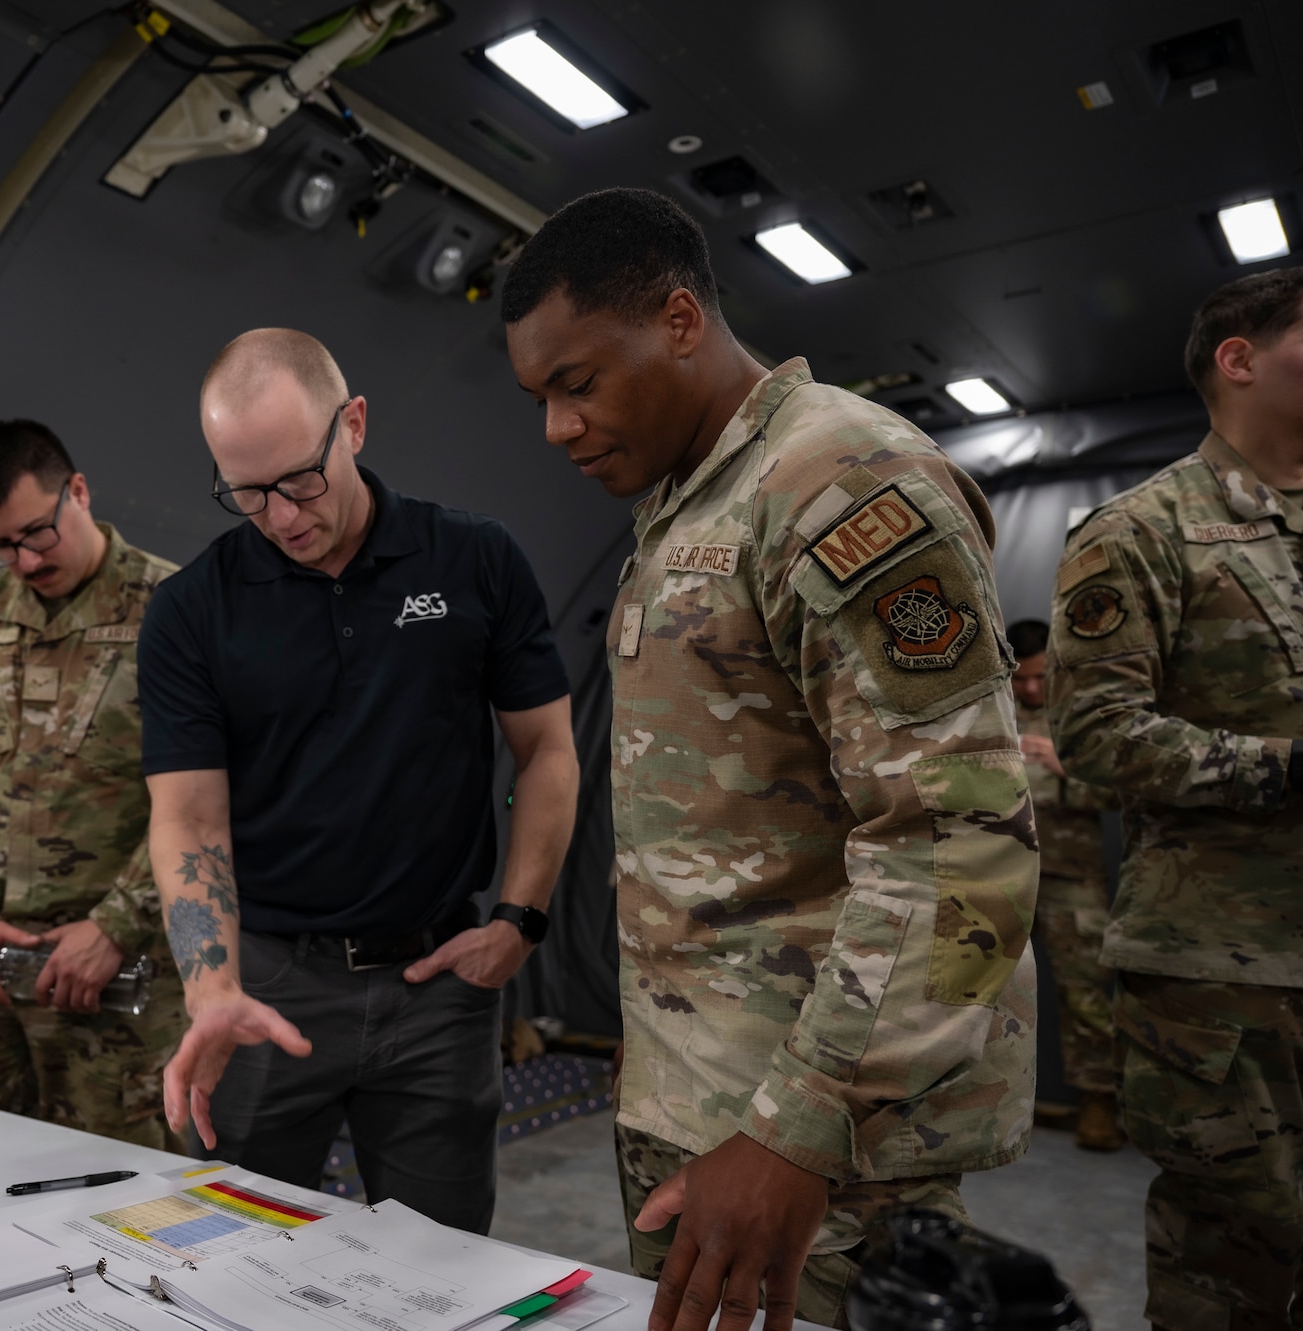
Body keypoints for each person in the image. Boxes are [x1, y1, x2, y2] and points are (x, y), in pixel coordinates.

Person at [502, 189, 1037, 1331]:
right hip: (700, 1096)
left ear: (680, 321)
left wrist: (796, 1126)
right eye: (537, 397)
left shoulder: (840, 481)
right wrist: (656, 1049)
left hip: (814, 1139)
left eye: (576, 382)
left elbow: (958, 841)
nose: (555, 428)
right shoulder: (687, 500)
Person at [141, 328, 580, 1234]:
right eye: (246, 492)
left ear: (355, 425)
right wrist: (211, 988)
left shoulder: (473, 560)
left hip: (437, 989)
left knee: (440, 1267)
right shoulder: (192, 609)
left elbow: (547, 750)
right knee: (235, 1256)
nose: (282, 515)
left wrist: (520, 921)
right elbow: (189, 818)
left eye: (301, 479)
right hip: (267, 984)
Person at [1048, 264, 1303, 1331]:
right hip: (1218, 975)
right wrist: (1284, 766)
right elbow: (1095, 739)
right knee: (1233, 1260)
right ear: (1237, 358)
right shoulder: (1142, 528)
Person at [0, 420, 187, 1146]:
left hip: (121, 973)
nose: (21, 560)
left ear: (77, 492)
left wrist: (117, 925)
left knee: (127, 1202)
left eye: (36, 534)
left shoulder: (177, 610)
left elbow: (216, 797)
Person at [1006, 619, 1120, 1152]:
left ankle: (1098, 1101)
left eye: (1039, 676)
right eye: (1020, 678)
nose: (1030, 688)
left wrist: (1068, 765)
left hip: (1072, 874)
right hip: (1002, 870)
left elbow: (1129, 795)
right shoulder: (990, 717)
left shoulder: (1082, 721)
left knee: (1087, 993)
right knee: (980, 986)